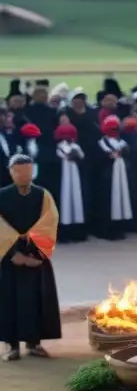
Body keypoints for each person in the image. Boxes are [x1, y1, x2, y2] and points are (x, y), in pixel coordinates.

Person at [0, 154, 61, 361]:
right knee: (9, 299)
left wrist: (35, 251)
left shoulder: (43, 195)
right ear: (11, 172)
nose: (24, 175)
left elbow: (50, 221)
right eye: (19, 171)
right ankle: (11, 345)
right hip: (9, 256)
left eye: (27, 170)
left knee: (36, 298)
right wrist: (12, 253)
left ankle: (34, 342)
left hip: (35, 252)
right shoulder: (2, 195)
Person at [92, 115, 133, 240]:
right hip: (107, 178)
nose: (114, 132)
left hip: (121, 177)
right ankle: (106, 230)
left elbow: (129, 156)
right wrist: (108, 157)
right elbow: (97, 161)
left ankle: (119, 227)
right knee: (107, 203)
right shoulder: (101, 143)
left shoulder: (123, 143)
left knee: (121, 199)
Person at [54, 123, 88, 243]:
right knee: (65, 202)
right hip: (63, 178)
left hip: (75, 177)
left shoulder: (76, 146)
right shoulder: (59, 146)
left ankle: (77, 231)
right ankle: (64, 233)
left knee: (77, 200)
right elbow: (61, 156)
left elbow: (82, 156)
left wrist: (76, 154)